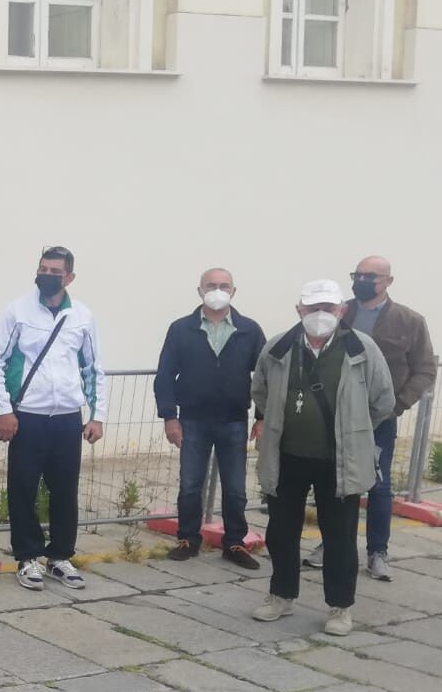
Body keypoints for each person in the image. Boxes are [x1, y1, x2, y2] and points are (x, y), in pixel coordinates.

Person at [251, 280, 395, 636]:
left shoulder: (361, 349)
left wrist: (353, 430)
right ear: (299, 310)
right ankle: (281, 595)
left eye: (327, 308)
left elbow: (382, 402)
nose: (320, 315)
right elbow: (261, 391)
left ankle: (340, 607)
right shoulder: (278, 348)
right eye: (312, 308)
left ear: (341, 311)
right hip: (287, 456)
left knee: (340, 535)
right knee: (281, 532)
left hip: (339, 460)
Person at [303, 256, 436, 581]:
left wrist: (397, 404)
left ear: (388, 281)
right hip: (333, 415)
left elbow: (425, 369)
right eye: (357, 274)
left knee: (378, 485)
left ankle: (378, 551)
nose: (361, 280)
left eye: (370, 276)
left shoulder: (409, 321)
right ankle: (331, 543)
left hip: (379, 420)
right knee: (333, 482)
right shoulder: (339, 312)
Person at [0, 247, 107, 590]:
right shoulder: (18, 311)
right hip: (28, 417)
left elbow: (93, 368)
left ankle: (60, 556)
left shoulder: (82, 316)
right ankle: (27, 557)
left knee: (65, 490)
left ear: (69, 277)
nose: (47, 274)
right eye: (42, 268)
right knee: (23, 489)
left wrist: (97, 416)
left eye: (55, 270)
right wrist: (5, 409)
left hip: (67, 417)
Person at [153, 268, 267, 569]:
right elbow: (165, 375)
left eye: (224, 285)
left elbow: (266, 376)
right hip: (192, 420)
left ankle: (234, 543)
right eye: (211, 285)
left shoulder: (250, 330)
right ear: (200, 291)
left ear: (234, 291)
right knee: (190, 484)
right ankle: (188, 539)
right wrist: (169, 417)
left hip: (234, 421)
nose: (218, 290)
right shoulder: (181, 329)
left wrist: (262, 417)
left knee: (236, 487)